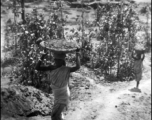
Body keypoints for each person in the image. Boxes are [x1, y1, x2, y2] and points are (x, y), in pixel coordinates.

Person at [35, 50, 81, 120]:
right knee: (57, 116)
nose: (56, 61)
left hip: (63, 95)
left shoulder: (66, 69)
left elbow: (77, 67)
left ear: (62, 61)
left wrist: (77, 54)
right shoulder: (51, 67)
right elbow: (37, 67)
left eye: (58, 60)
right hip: (57, 95)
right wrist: (43, 56)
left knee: (54, 116)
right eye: (56, 59)